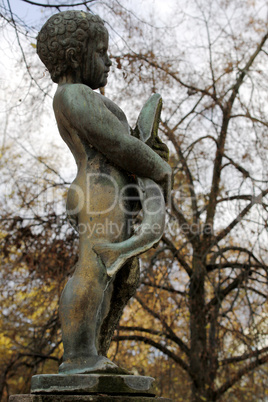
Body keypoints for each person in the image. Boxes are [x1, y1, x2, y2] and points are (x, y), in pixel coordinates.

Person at [37, 10, 171, 375]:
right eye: (100, 52)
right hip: (99, 192)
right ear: (74, 56)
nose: (109, 60)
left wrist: (149, 156)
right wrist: (159, 169)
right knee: (94, 268)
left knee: (110, 271)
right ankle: (78, 356)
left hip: (108, 190)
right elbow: (117, 144)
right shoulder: (74, 94)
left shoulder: (79, 95)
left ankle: (90, 351)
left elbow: (128, 146)